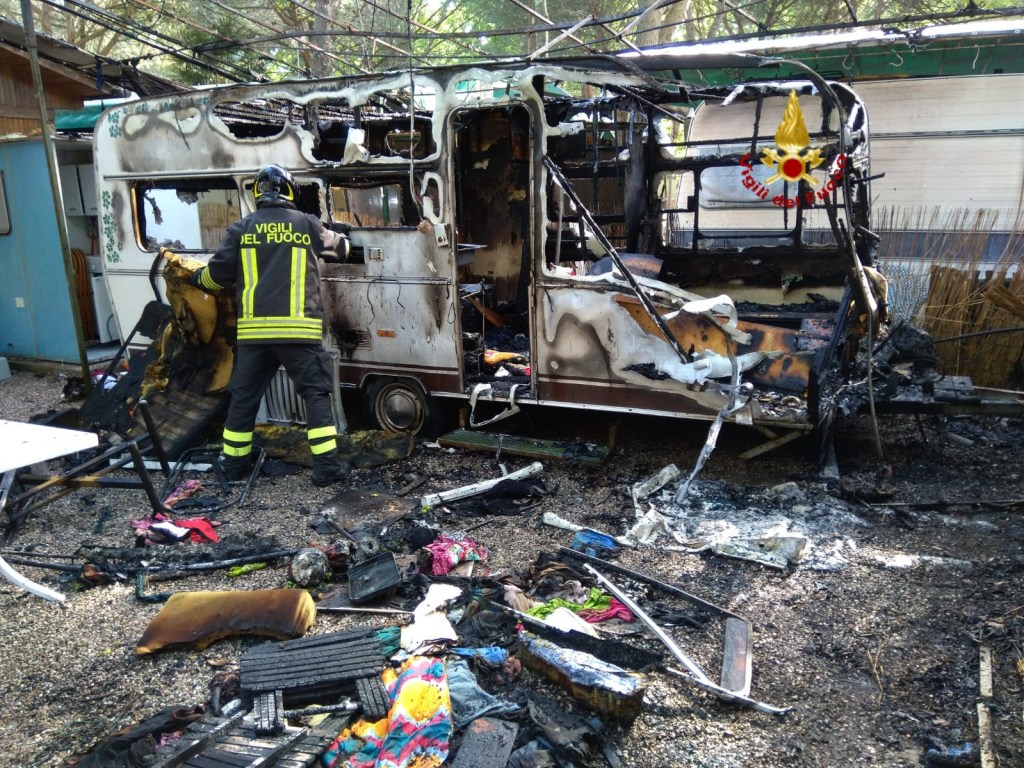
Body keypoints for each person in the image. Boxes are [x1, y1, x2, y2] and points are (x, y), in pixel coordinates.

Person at [190, 164, 351, 487]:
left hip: (254, 336)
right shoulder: (306, 224)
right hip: (299, 333)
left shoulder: (241, 229)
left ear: (257, 195)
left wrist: (195, 276)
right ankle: (327, 468)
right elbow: (342, 249)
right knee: (315, 395)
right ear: (290, 191)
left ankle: (234, 468)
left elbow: (215, 277)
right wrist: (341, 233)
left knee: (244, 398)